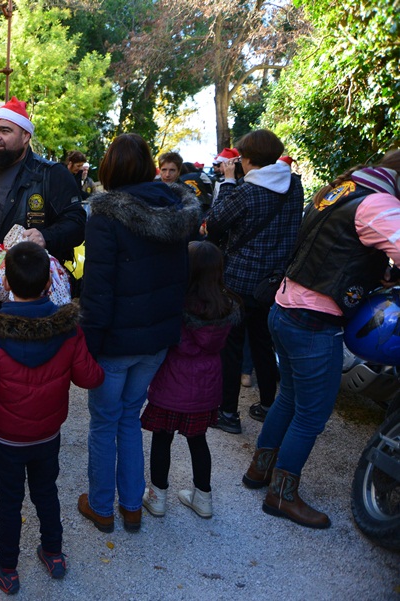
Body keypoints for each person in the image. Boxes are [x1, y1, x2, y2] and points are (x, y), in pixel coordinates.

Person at [243, 150, 400, 529]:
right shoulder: (378, 202)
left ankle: (259, 471)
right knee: (311, 415)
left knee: (290, 398)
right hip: (314, 319)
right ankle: (281, 494)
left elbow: (338, 250)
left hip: (286, 307)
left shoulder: (343, 190)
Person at [77, 133, 199, 534]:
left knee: (105, 422)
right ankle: (131, 505)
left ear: (110, 167)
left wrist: (88, 346)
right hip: (155, 340)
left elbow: (97, 289)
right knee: (128, 418)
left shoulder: (106, 217)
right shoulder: (174, 209)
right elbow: (179, 277)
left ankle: (102, 506)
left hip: (115, 341)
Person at [0, 242, 103, 595]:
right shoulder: (68, 329)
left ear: (6, 284)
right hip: (47, 432)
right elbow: (89, 378)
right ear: (47, 285)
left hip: (7, 436)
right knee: (46, 491)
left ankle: (7, 569)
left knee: (9, 501)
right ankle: (54, 553)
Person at [0, 97, 86, 434]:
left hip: (17, 285)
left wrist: (46, 236)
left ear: (25, 136)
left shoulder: (49, 175)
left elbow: (77, 222)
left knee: (14, 356)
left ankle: (12, 416)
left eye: (6, 130)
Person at [204, 129, 304, 434]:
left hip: (239, 280)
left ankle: (228, 414)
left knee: (232, 346)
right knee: (263, 340)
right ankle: (268, 405)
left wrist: (230, 182)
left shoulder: (246, 191)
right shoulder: (295, 185)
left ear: (246, 159)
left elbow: (215, 222)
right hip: (273, 281)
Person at [140, 241, 241, 520]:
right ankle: (203, 498)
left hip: (172, 387)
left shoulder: (178, 304)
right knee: (199, 441)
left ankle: (157, 497)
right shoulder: (224, 307)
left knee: (162, 440)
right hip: (205, 390)